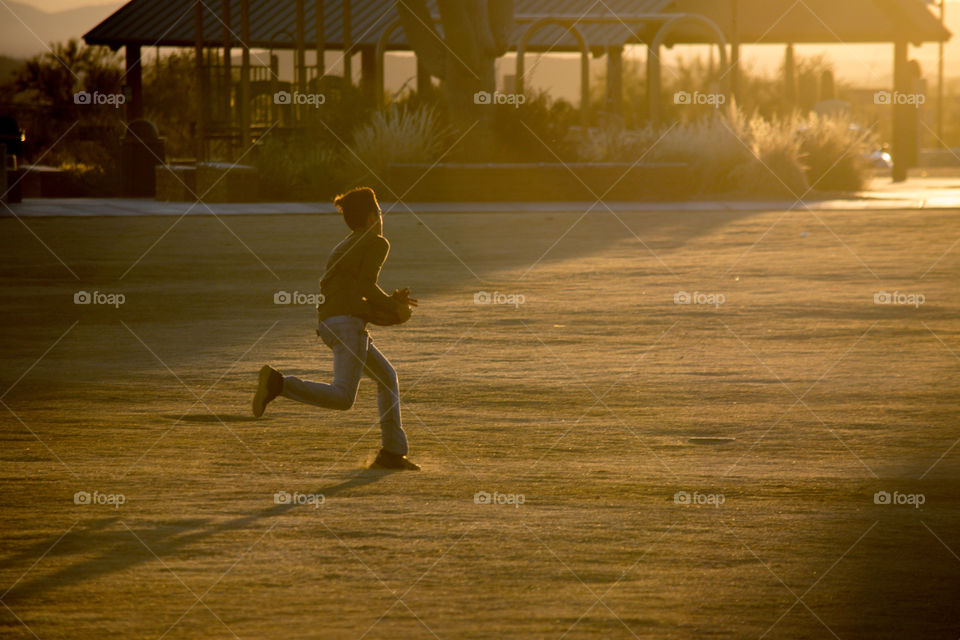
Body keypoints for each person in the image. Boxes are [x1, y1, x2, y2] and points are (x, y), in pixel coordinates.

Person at [252, 187, 420, 470]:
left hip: (330, 322)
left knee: (387, 377)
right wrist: (393, 307)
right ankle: (279, 384)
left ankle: (393, 451)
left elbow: (351, 288)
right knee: (343, 397)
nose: (382, 218)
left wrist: (389, 302)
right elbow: (366, 286)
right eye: (379, 212)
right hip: (346, 324)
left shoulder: (344, 245)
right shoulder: (377, 242)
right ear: (369, 219)